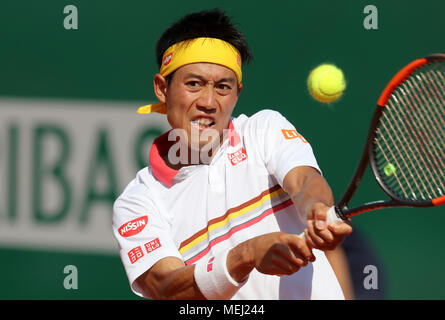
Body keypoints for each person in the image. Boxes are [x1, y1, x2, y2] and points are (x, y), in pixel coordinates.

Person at [112, 8, 352, 300]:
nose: (209, 102)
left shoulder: (264, 129)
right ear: (162, 89)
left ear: (237, 94)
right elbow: (167, 288)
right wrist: (247, 255)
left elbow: (304, 181)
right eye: (194, 84)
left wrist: (316, 209)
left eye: (223, 87)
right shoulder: (138, 202)